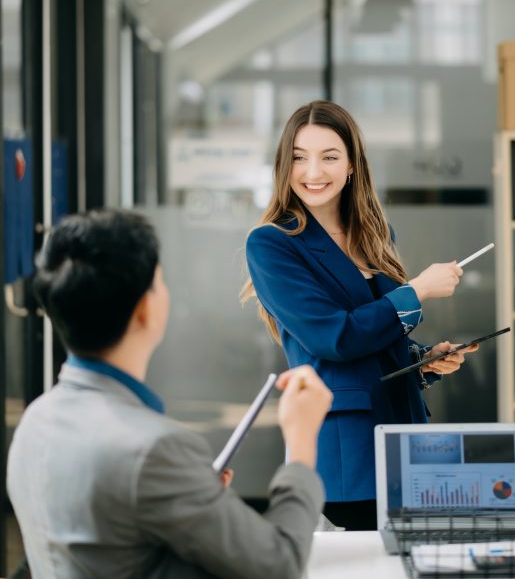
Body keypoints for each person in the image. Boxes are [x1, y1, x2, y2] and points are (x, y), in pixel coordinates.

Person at [7, 209, 333, 579]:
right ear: (147, 309)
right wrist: (301, 449)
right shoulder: (155, 450)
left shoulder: (34, 421)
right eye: (159, 281)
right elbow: (281, 564)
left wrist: (191, 490)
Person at [241, 100, 478, 531]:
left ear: (351, 165)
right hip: (348, 449)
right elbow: (335, 338)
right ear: (283, 166)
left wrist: (424, 361)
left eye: (329, 157)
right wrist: (418, 291)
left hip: (408, 440)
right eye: (299, 157)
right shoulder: (272, 244)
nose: (313, 172)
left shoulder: (375, 234)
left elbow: (378, 341)